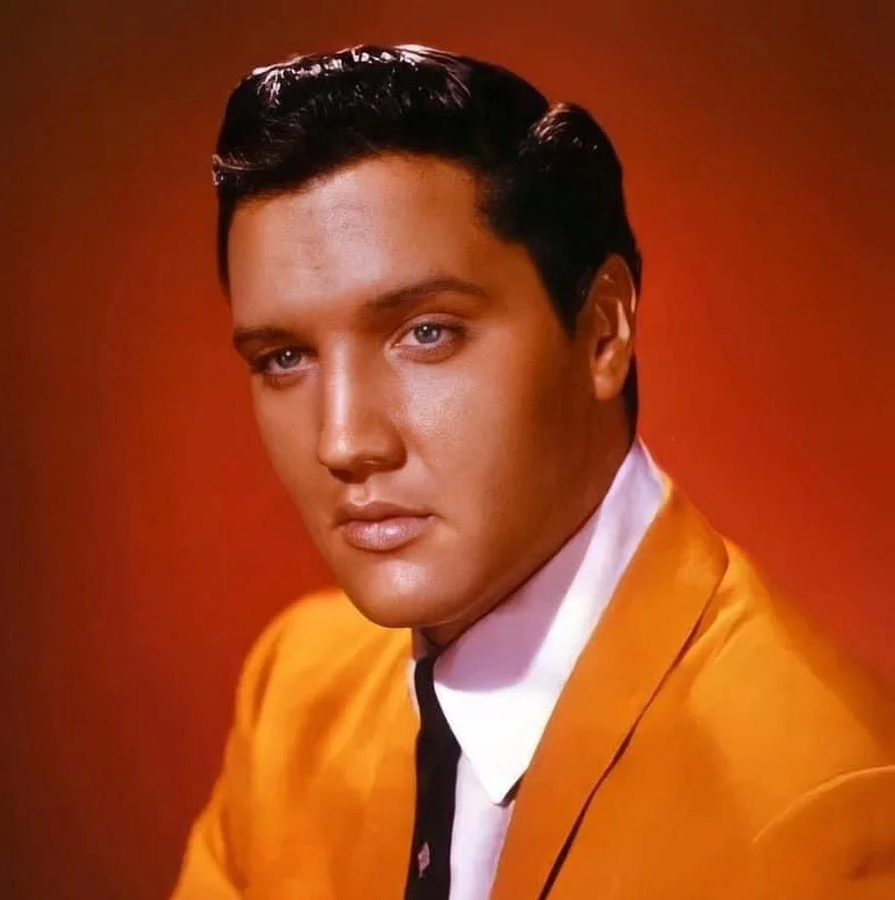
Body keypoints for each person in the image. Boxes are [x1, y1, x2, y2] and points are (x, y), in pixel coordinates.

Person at [171, 44, 895, 899]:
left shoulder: (824, 810)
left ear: (602, 331)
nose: (343, 441)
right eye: (284, 357)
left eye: (427, 333)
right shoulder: (295, 691)